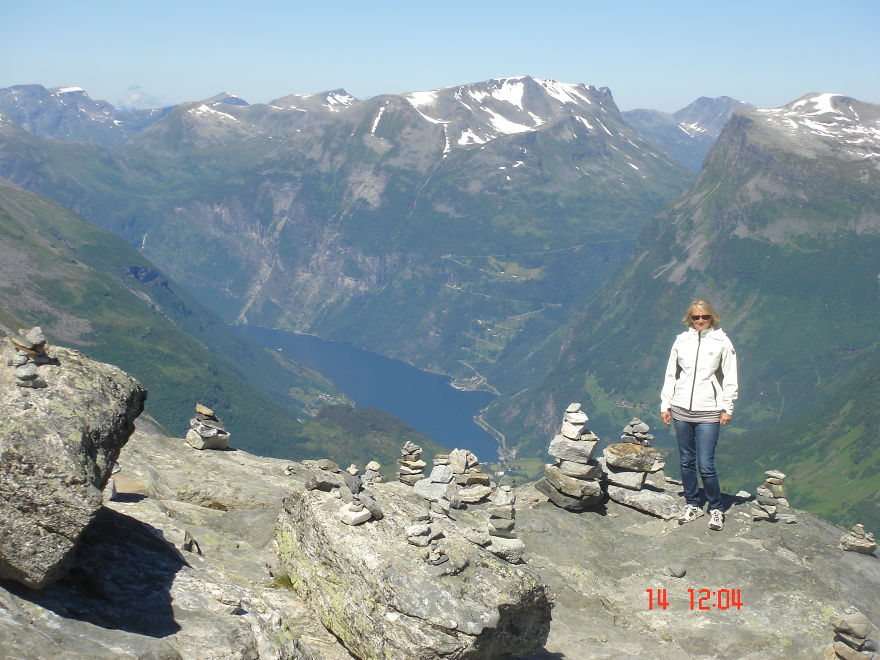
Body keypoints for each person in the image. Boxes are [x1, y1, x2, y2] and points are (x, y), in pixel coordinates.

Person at [660, 300, 738, 531]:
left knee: (705, 464)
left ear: (712, 317)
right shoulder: (681, 341)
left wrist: (727, 408)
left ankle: (716, 508)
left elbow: (731, 376)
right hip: (681, 409)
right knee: (686, 461)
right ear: (690, 319)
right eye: (696, 317)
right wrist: (666, 405)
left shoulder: (722, 341)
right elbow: (670, 375)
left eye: (705, 317)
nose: (701, 321)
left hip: (709, 411)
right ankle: (692, 503)